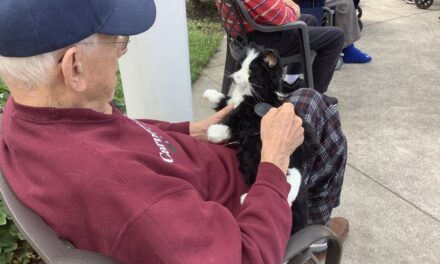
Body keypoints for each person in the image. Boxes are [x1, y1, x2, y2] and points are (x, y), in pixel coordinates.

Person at [0, 0, 348, 263]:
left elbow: (125, 133)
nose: (122, 50)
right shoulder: (123, 190)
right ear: (74, 67)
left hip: (210, 173)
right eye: (116, 41)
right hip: (247, 205)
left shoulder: (26, 114)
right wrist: (274, 160)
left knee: (304, 102)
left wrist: (191, 130)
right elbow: (243, 256)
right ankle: (309, 237)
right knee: (316, 111)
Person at [217, 0, 345, 94]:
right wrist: (288, 5)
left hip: (244, 37)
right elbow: (285, 17)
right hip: (264, 45)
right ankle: (315, 98)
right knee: (336, 36)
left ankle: (290, 82)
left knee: (309, 20)